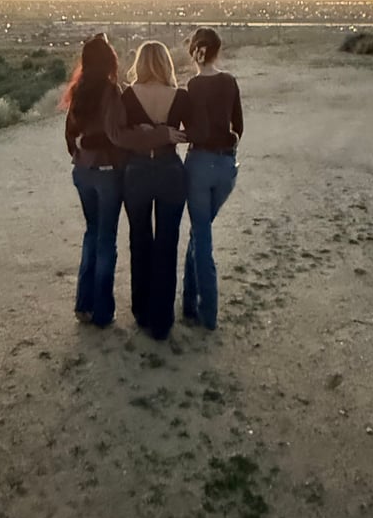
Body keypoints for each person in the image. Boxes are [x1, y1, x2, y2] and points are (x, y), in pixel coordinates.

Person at [63, 34, 183, 328]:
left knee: (93, 235)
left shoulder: (78, 90)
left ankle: (84, 304)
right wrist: (158, 134)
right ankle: (104, 313)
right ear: (109, 61)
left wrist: (81, 153)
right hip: (107, 172)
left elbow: (70, 133)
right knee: (106, 240)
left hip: (82, 171)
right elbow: (118, 134)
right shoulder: (111, 91)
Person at [121, 41, 190, 340]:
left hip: (136, 172)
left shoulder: (127, 96)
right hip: (170, 171)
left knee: (139, 240)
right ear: (165, 64)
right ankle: (162, 320)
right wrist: (167, 134)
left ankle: (142, 311)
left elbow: (120, 138)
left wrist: (144, 135)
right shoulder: (180, 96)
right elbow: (194, 131)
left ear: (141, 63)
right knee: (167, 244)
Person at [182, 27, 243, 331]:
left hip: (198, 165)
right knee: (199, 233)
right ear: (217, 51)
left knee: (201, 237)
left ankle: (207, 313)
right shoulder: (230, 82)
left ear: (195, 52)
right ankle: (189, 304)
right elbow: (239, 127)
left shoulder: (192, 87)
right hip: (225, 166)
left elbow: (191, 130)